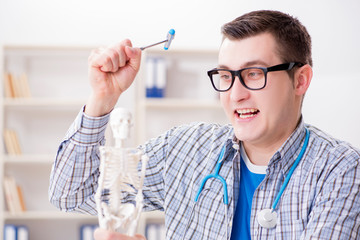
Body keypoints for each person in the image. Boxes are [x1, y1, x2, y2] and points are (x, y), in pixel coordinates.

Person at [49, 10, 360, 240]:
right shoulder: (185, 149)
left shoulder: (339, 170)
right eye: (226, 76)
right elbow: (72, 194)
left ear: (300, 80)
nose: (236, 94)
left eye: (254, 74)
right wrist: (102, 98)